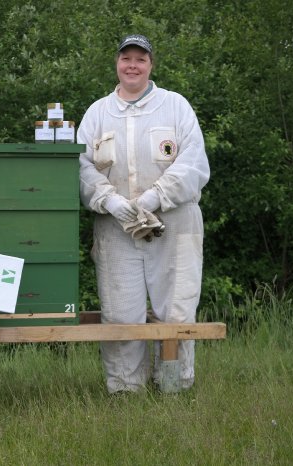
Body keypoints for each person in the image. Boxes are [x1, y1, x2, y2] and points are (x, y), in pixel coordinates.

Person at [78, 34, 210, 394]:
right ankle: (125, 389)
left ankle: (174, 386)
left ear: (151, 64)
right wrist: (110, 201)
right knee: (121, 311)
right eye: (126, 59)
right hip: (115, 225)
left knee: (177, 308)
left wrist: (156, 196)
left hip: (174, 221)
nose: (132, 65)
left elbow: (194, 161)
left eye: (140, 59)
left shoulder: (175, 106)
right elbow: (82, 166)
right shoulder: (97, 112)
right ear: (117, 63)